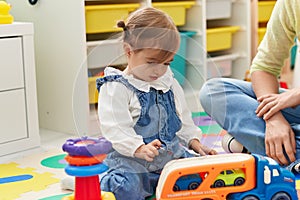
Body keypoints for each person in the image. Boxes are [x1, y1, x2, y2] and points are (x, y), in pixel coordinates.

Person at [96, 7, 217, 200]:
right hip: (131, 161)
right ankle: (101, 181)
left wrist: (194, 143)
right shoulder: (116, 87)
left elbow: (183, 119)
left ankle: (160, 183)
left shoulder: (168, 83)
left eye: (167, 63)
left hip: (169, 157)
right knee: (127, 189)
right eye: (151, 62)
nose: (159, 70)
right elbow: (115, 129)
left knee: (201, 178)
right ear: (129, 51)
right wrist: (138, 148)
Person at [200, 0, 300, 173]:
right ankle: (287, 150)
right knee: (214, 91)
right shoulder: (290, 4)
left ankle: (266, 148)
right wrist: (273, 117)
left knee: (235, 142)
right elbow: (264, 68)